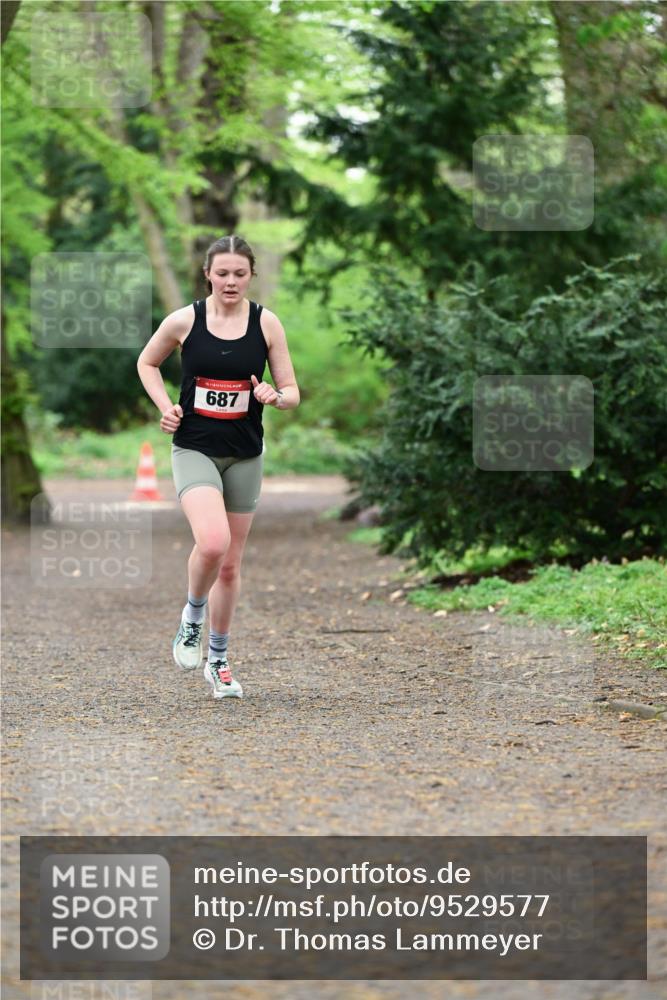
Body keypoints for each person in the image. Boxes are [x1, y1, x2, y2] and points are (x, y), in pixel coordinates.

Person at [137, 234, 299, 700]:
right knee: (212, 542)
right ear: (207, 273)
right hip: (195, 449)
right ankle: (191, 618)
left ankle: (220, 661)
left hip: (245, 453)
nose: (230, 281)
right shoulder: (185, 319)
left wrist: (274, 395)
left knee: (230, 566)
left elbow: (291, 392)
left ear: (251, 276)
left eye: (240, 274)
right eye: (222, 273)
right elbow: (147, 362)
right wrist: (165, 406)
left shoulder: (266, 324)